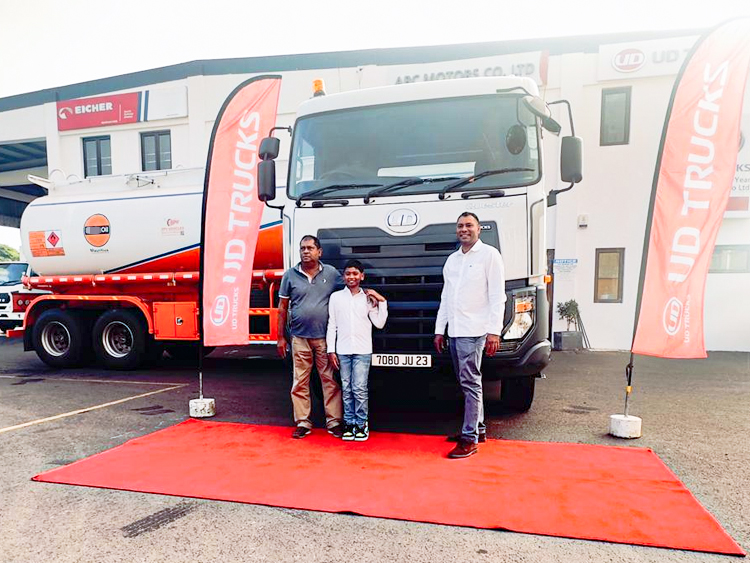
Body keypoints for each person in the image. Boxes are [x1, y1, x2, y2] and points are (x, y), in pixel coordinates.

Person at [434, 212, 506, 458]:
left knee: (470, 383)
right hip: (455, 331)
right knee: (468, 382)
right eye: (460, 226)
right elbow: (446, 297)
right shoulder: (452, 260)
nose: (464, 229)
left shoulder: (490, 256)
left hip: (475, 331)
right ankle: (479, 428)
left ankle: (469, 439)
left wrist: (494, 332)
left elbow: (498, 296)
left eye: (469, 225)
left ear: (479, 229)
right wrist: (439, 329)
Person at [277, 235, 345, 439]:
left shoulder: (331, 274)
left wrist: (370, 293)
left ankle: (334, 422)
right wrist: (280, 338)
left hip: (325, 338)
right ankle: (303, 423)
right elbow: (282, 308)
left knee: (329, 380)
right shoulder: (290, 275)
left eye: (309, 248)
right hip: (299, 338)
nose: (305, 252)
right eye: (302, 248)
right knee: (300, 381)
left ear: (319, 252)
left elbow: (349, 291)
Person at [326, 260, 388, 442]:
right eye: (348, 273)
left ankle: (361, 424)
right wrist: (331, 350)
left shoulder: (368, 298)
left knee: (359, 388)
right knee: (346, 389)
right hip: (343, 350)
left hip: (362, 351)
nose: (351, 277)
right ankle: (349, 423)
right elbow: (332, 325)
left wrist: (381, 300)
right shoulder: (336, 298)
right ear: (343, 276)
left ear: (362, 276)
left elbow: (379, 323)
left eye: (355, 273)